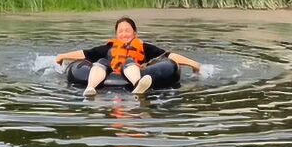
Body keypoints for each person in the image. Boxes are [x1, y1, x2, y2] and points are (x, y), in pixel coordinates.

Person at [55, 17, 201, 96]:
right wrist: (62, 56)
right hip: (107, 72)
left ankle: (138, 84)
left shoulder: (144, 47)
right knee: (101, 61)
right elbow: (85, 54)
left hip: (132, 69)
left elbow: (168, 56)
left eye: (127, 31)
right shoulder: (108, 48)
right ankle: (90, 87)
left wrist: (193, 64)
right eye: (121, 31)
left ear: (135, 33)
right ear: (116, 35)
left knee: (129, 61)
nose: (124, 34)